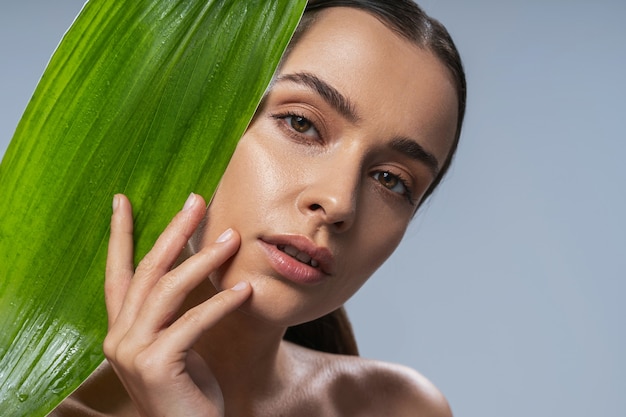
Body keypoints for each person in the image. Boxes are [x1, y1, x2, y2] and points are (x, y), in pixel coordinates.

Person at [52, 0, 466, 415]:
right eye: (301, 123)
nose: (339, 202)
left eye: (390, 180)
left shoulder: (400, 408)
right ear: (199, 118)